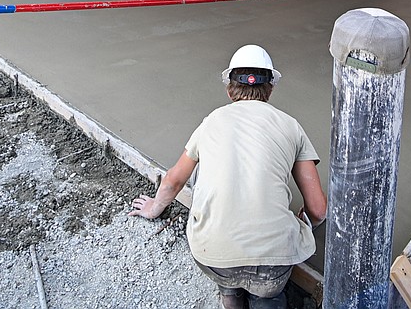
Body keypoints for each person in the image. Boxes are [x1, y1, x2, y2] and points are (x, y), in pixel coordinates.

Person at [129, 44, 327, 309]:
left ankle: (230, 296)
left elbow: (175, 180)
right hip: (273, 263)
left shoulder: (211, 121)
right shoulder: (291, 126)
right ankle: (265, 300)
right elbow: (318, 209)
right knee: (267, 293)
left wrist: (154, 208)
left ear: (229, 88)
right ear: (270, 88)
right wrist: (304, 223)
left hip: (212, 256)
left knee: (202, 163)